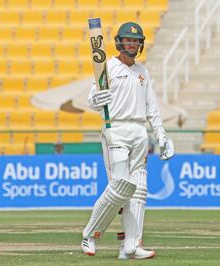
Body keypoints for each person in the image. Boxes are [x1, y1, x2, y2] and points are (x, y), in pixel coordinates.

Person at [81, 21, 174, 260]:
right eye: (129, 40)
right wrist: (97, 99)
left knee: (139, 191)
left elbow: (151, 107)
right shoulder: (108, 67)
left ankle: (131, 247)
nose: (132, 44)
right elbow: (92, 100)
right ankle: (90, 234)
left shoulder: (142, 72)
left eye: (136, 41)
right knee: (121, 186)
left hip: (139, 132)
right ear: (120, 42)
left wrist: (161, 134)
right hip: (116, 129)